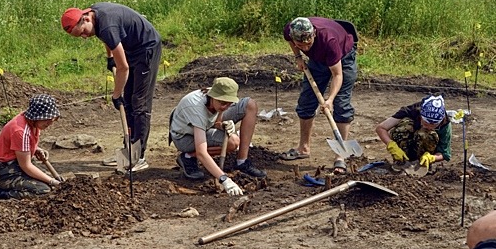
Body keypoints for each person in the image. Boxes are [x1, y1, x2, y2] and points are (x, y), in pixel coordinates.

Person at [60, 2, 162, 172]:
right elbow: (109, 39)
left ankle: (139, 157)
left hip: (147, 48)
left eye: (84, 32)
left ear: (85, 18)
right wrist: (110, 57)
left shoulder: (107, 25)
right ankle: (127, 153)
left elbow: (123, 68)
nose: (85, 37)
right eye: (80, 36)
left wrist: (115, 95)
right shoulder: (94, 16)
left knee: (139, 103)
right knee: (128, 102)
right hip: (131, 49)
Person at [280, 17, 358, 174]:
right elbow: (290, 40)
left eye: (309, 44)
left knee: (342, 105)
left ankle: (340, 156)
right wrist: (298, 56)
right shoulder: (290, 30)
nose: (306, 47)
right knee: (306, 103)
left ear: (314, 33)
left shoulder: (329, 41)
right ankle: (303, 148)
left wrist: (329, 100)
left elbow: (337, 76)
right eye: (302, 46)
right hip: (318, 60)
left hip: (344, 56)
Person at [169, 77, 266, 196]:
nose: (226, 107)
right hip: (185, 137)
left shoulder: (217, 99)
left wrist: (224, 125)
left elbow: (215, 121)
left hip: (206, 126)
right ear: (213, 97)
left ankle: (242, 162)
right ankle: (188, 156)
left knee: (249, 105)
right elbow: (201, 152)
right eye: (223, 103)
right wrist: (224, 179)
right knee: (232, 143)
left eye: (229, 103)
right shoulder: (196, 107)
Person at [0, 94, 62, 199]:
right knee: (43, 190)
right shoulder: (20, 131)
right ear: (35, 117)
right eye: (46, 118)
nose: (50, 121)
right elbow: (26, 166)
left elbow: (19, 146)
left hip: (15, 164)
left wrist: (35, 149)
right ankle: (0, 193)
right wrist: (52, 181)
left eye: (52, 118)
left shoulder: (32, 123)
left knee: (48, 182)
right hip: (2, 170)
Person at [375, 95, 451, 168]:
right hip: (407, 142)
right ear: (421, 116)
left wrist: (432, 158)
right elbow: (381, 128)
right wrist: (392, 146)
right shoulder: (410, 111)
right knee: (405, 126)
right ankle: (401, 161)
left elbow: (444, 154)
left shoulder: (445, 123)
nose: (428, 127)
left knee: (426, 134)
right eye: (425, 123)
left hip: (423, 153)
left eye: (433, 126)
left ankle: (421, 165)